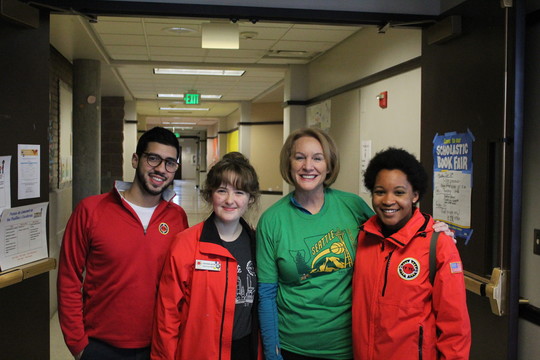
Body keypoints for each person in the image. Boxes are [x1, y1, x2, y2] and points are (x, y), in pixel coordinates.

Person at [57, 126, 189, 360]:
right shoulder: (91, 210)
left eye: (170, 163)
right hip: (100, 346)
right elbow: (69, 277)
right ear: (136, 159)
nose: (161, 169)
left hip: (158, 345)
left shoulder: (177, 218)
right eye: (153, 158)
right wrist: (78, 344)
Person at [256, 127, 374, 360]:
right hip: (294, 347)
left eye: (317, 158)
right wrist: (272, 353)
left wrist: (430, 230)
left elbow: (394, 238)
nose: (308, 166)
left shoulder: (353, 207)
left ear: (329, 166)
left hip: (349, 346)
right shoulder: (272, 221)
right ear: (289, 164)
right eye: (299, 157)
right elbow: (266, 295)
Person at [352, 147, 471, 360]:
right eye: (380, 192)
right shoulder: (363, 238)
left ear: (415, 195)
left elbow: (455, 327)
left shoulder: (439, 244)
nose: (388, 201)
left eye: (399, 192)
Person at [151, 152, 262, 360]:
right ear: (210, 194)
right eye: (222, 190)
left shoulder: (258, 245)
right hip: (200, 352)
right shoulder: (186, 244)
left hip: (246, 350)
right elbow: (167, 316)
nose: (230, 200)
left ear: (250, 198)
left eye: (239, 192)